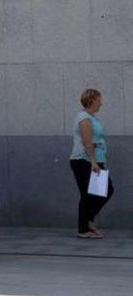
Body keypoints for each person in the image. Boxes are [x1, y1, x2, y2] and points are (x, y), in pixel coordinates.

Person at [69, 89, 114, 239]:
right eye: (99, 99)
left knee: (103, 191)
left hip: (95, 160)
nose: (101, 102)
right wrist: (93, 162)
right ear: (91, 100)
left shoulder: (92, 117)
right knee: (88, 194)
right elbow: (87, 141)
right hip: (84, 160)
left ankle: (87, 221)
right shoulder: (84, 118)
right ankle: (83, 229)